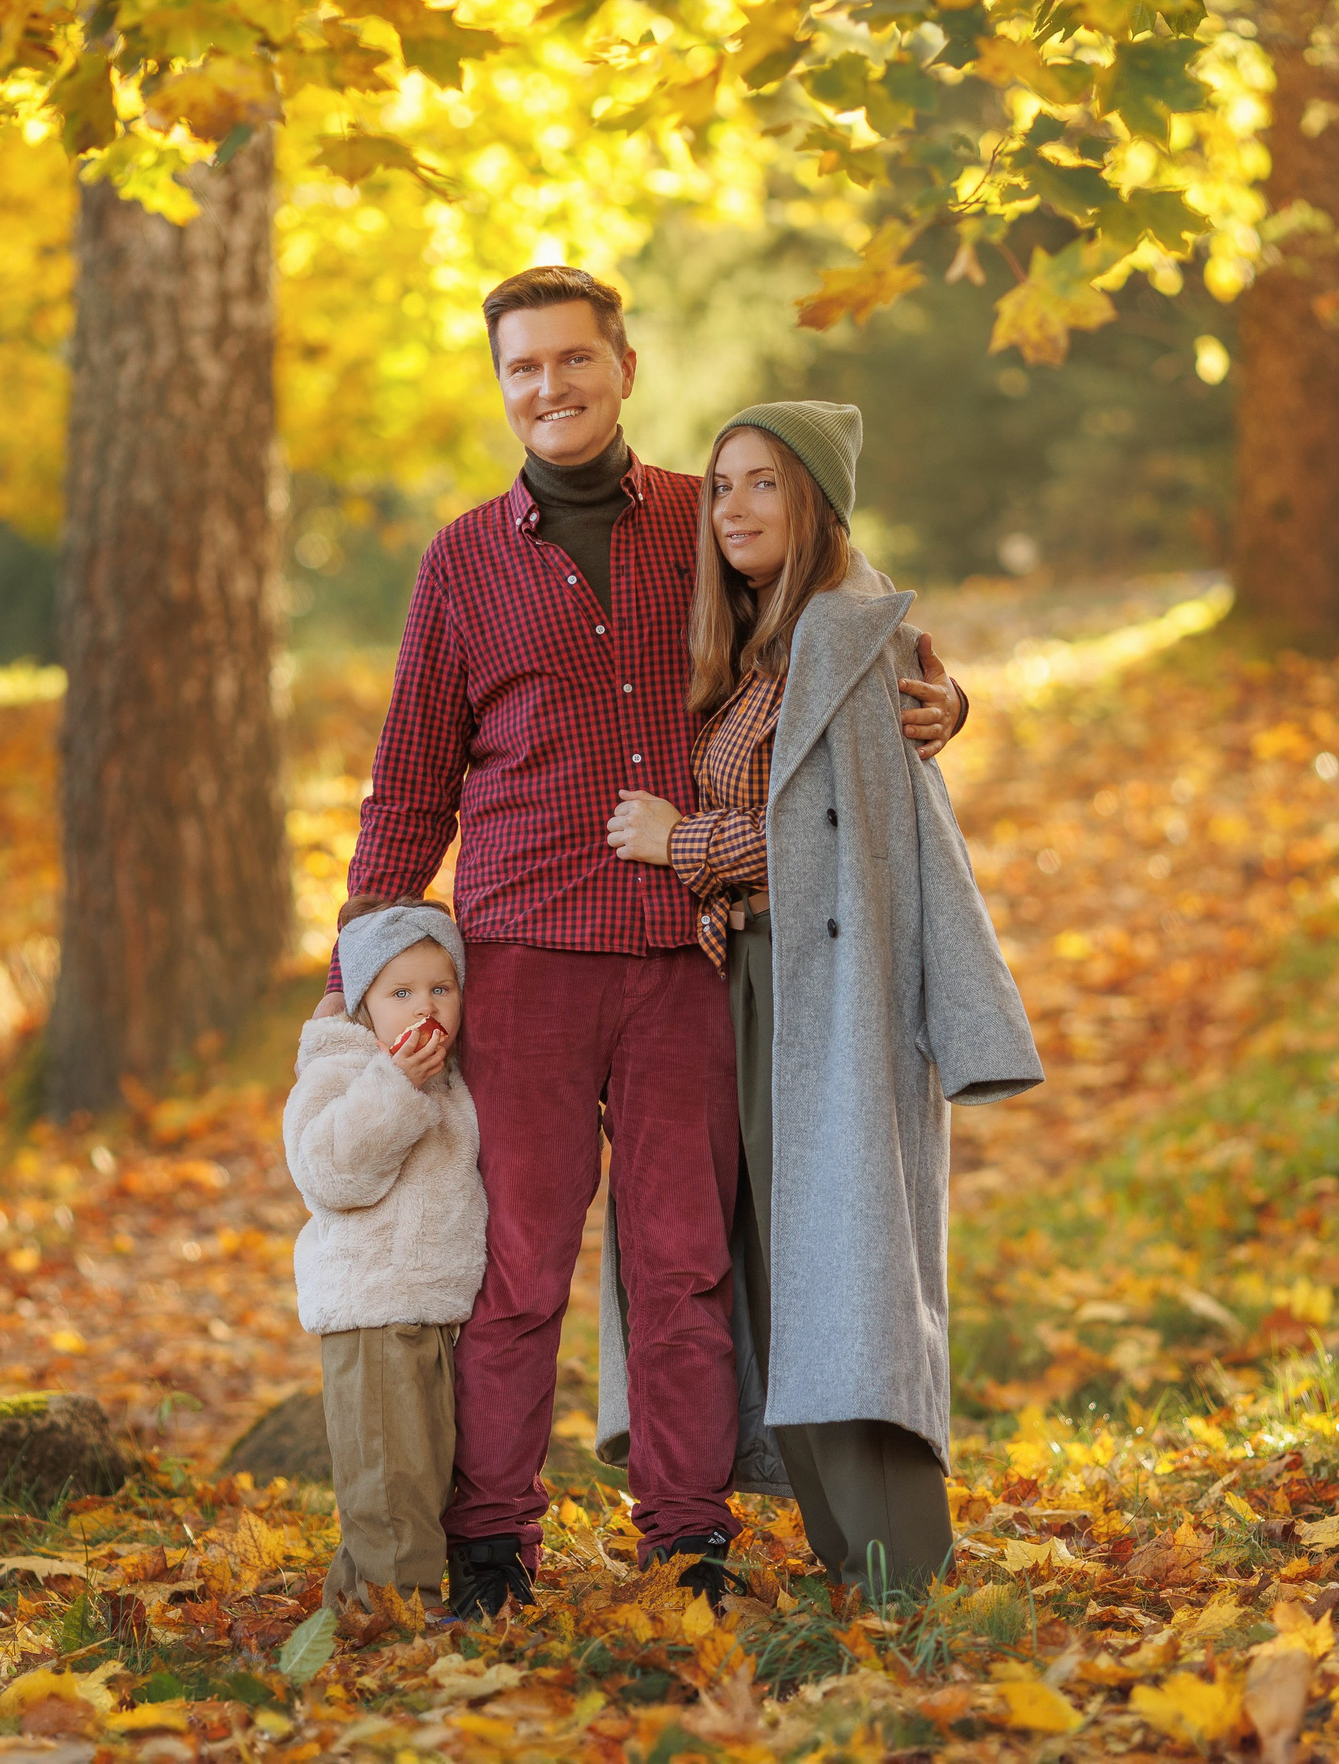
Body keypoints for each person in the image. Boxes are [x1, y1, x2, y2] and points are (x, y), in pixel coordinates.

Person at [315, 268, 970, 1619]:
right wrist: (360, 980)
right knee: (517, 1277)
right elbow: (410, 783)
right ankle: (492, 1548)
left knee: (683, 1265)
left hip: (690, 956)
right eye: (522, 370)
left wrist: (939, 691)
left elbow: (844, 610)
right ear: (502, 388)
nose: (548, 388)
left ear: (623, 364)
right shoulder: (461, 560)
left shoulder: (704, 514)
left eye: (572, 361)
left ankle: (687, 1543)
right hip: (523, 965)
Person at [605, 402, 1044, 1596]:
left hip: (827, 987)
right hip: (746, 979)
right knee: (772, 1255)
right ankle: (855, 1561)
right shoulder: (761, 637)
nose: (734, 509)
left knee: (840, 1254)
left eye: (762, 486)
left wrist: (677, 845)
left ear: (816, 505)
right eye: (721, 487)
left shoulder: (848, 634)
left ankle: (903, 1569)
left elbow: (830, 833)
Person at [284, 901, 484, 1609]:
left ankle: (360, 1611)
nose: (422, 1006)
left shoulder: (450, 1076)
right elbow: (331, 1171)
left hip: (428, 1307)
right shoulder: (343, 1069)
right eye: (400, 993)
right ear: (364, 1003)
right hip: (372, 1312)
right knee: (388, 1483)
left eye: (441, 988)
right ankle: (401, 1624)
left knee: (415, 1478)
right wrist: (395, 1087)